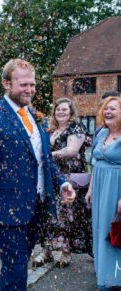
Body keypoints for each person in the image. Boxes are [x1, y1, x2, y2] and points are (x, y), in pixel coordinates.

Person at [0, 59, 76, 291]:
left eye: (32, 85)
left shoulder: (38, 117)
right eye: (23, 85)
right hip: (5, 209)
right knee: (15, 268)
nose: (29, 90)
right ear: (6, 83)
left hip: (35, 206)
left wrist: (62, 182)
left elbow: (44, 160)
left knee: (17, 267)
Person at [32, 98, 92, 268]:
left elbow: (72, 150)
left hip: (69, 179)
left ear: (71, 112)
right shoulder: (50, 129)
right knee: (49, 215)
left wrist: (47, 155)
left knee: (65, 216)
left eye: (65, 109)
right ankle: (47, 251)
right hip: (51, 178)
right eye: (58, 109)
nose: (61, 112)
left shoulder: (76, 127)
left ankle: (66, 253)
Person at [85, 96, 121, 290]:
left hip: (117, 188)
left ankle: (116, 277)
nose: (107, 112)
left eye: (113, 109)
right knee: (100, 230)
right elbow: (95, 163)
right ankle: (104, 275)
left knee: (114, 231)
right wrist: (90, 189)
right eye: (106, 109)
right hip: (99, 188)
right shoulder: (101, 134)